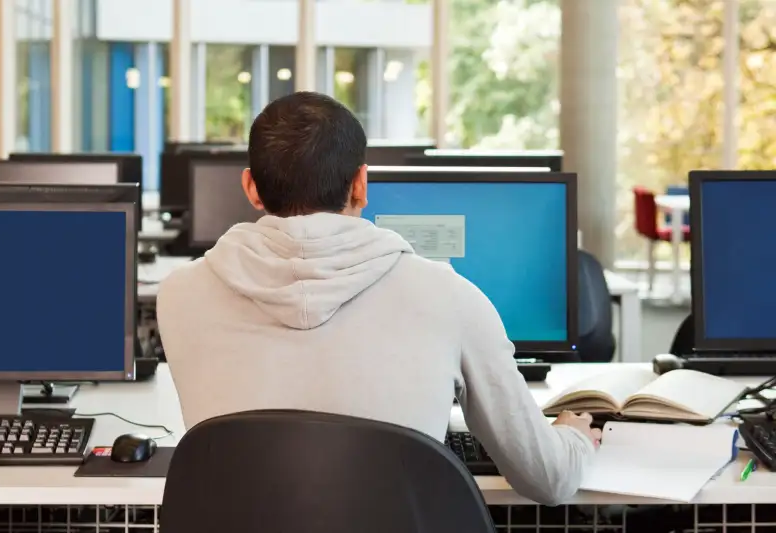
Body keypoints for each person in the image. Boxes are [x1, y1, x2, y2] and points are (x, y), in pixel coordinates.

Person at [156, 91, 599, 506]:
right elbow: (549, 479)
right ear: (360, 185)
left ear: (251, 188)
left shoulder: (178, 295)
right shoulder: (450, 297)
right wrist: (574, 435)